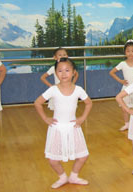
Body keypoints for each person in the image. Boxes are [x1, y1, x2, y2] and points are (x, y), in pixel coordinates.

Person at [34, 57, 92, 189]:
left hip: (73, 127)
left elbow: (89, 103)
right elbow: (37, 103)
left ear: (73, 72)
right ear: (55, 73)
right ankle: (62, 177)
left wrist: (82, 118)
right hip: (57, 128)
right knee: (53, 160)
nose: (64, 73)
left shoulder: (78, 89)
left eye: (67, 70)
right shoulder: (53, 89)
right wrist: (45, 118)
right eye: (60, 71)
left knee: (83, 156)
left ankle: (74, 176)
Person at [109, 40, 133, 131]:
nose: (130, 53)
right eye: (128, 51)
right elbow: (112, 72)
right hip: (126, 89)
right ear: (125, 52)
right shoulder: (123, 64)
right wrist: (121, 81)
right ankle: (127, 124)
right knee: (124, 108)